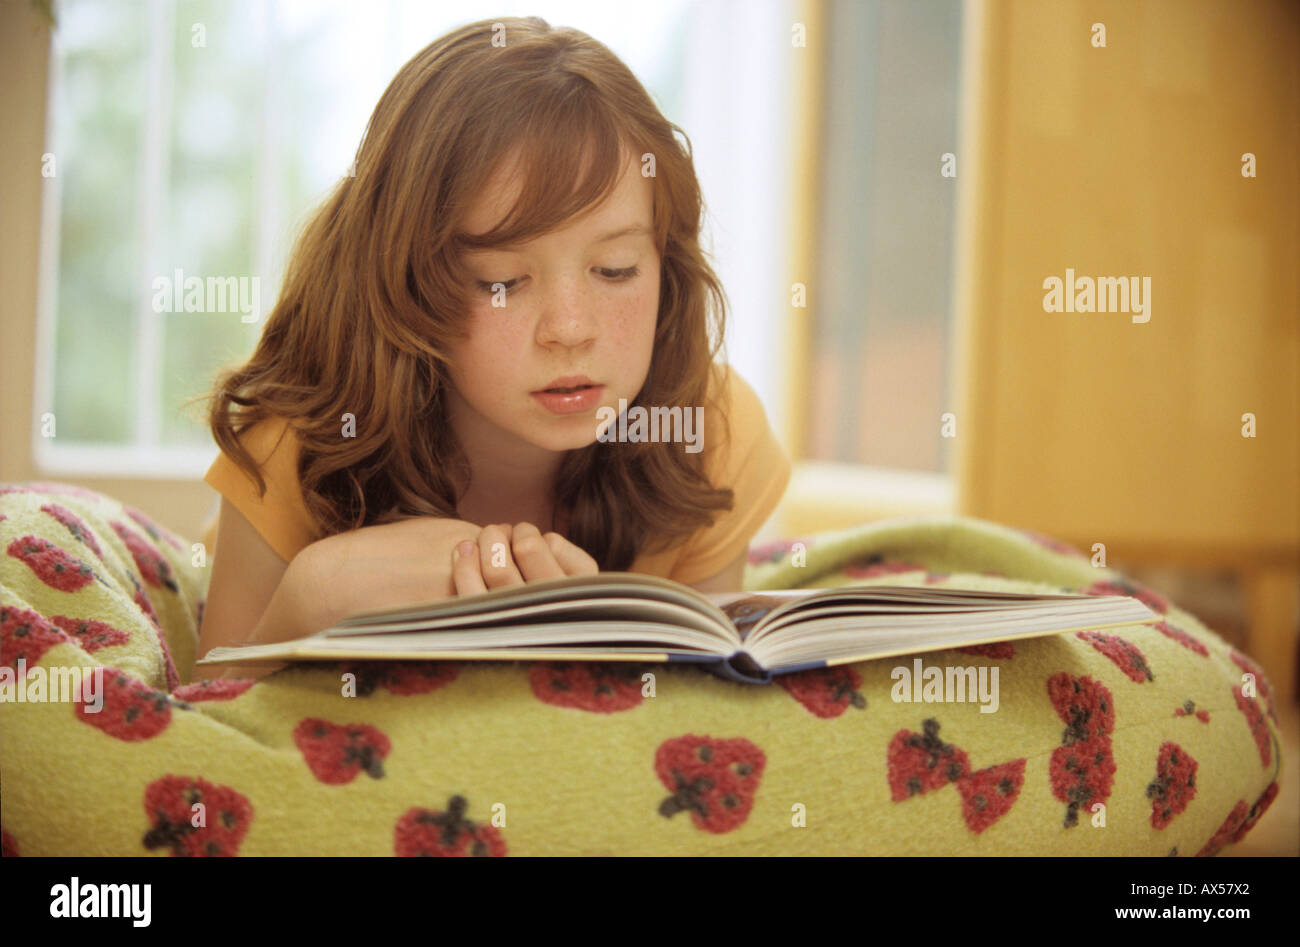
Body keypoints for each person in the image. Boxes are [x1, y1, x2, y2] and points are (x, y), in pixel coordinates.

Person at [190, 16, 791, 681]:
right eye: (501, 281)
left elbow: (706, 719)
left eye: (616, 269)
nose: (569, 328)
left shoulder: (708, 433)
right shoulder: (297, 435)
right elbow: (204, 730)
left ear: (666, 269)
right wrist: (313, 597)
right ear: (402, 284)